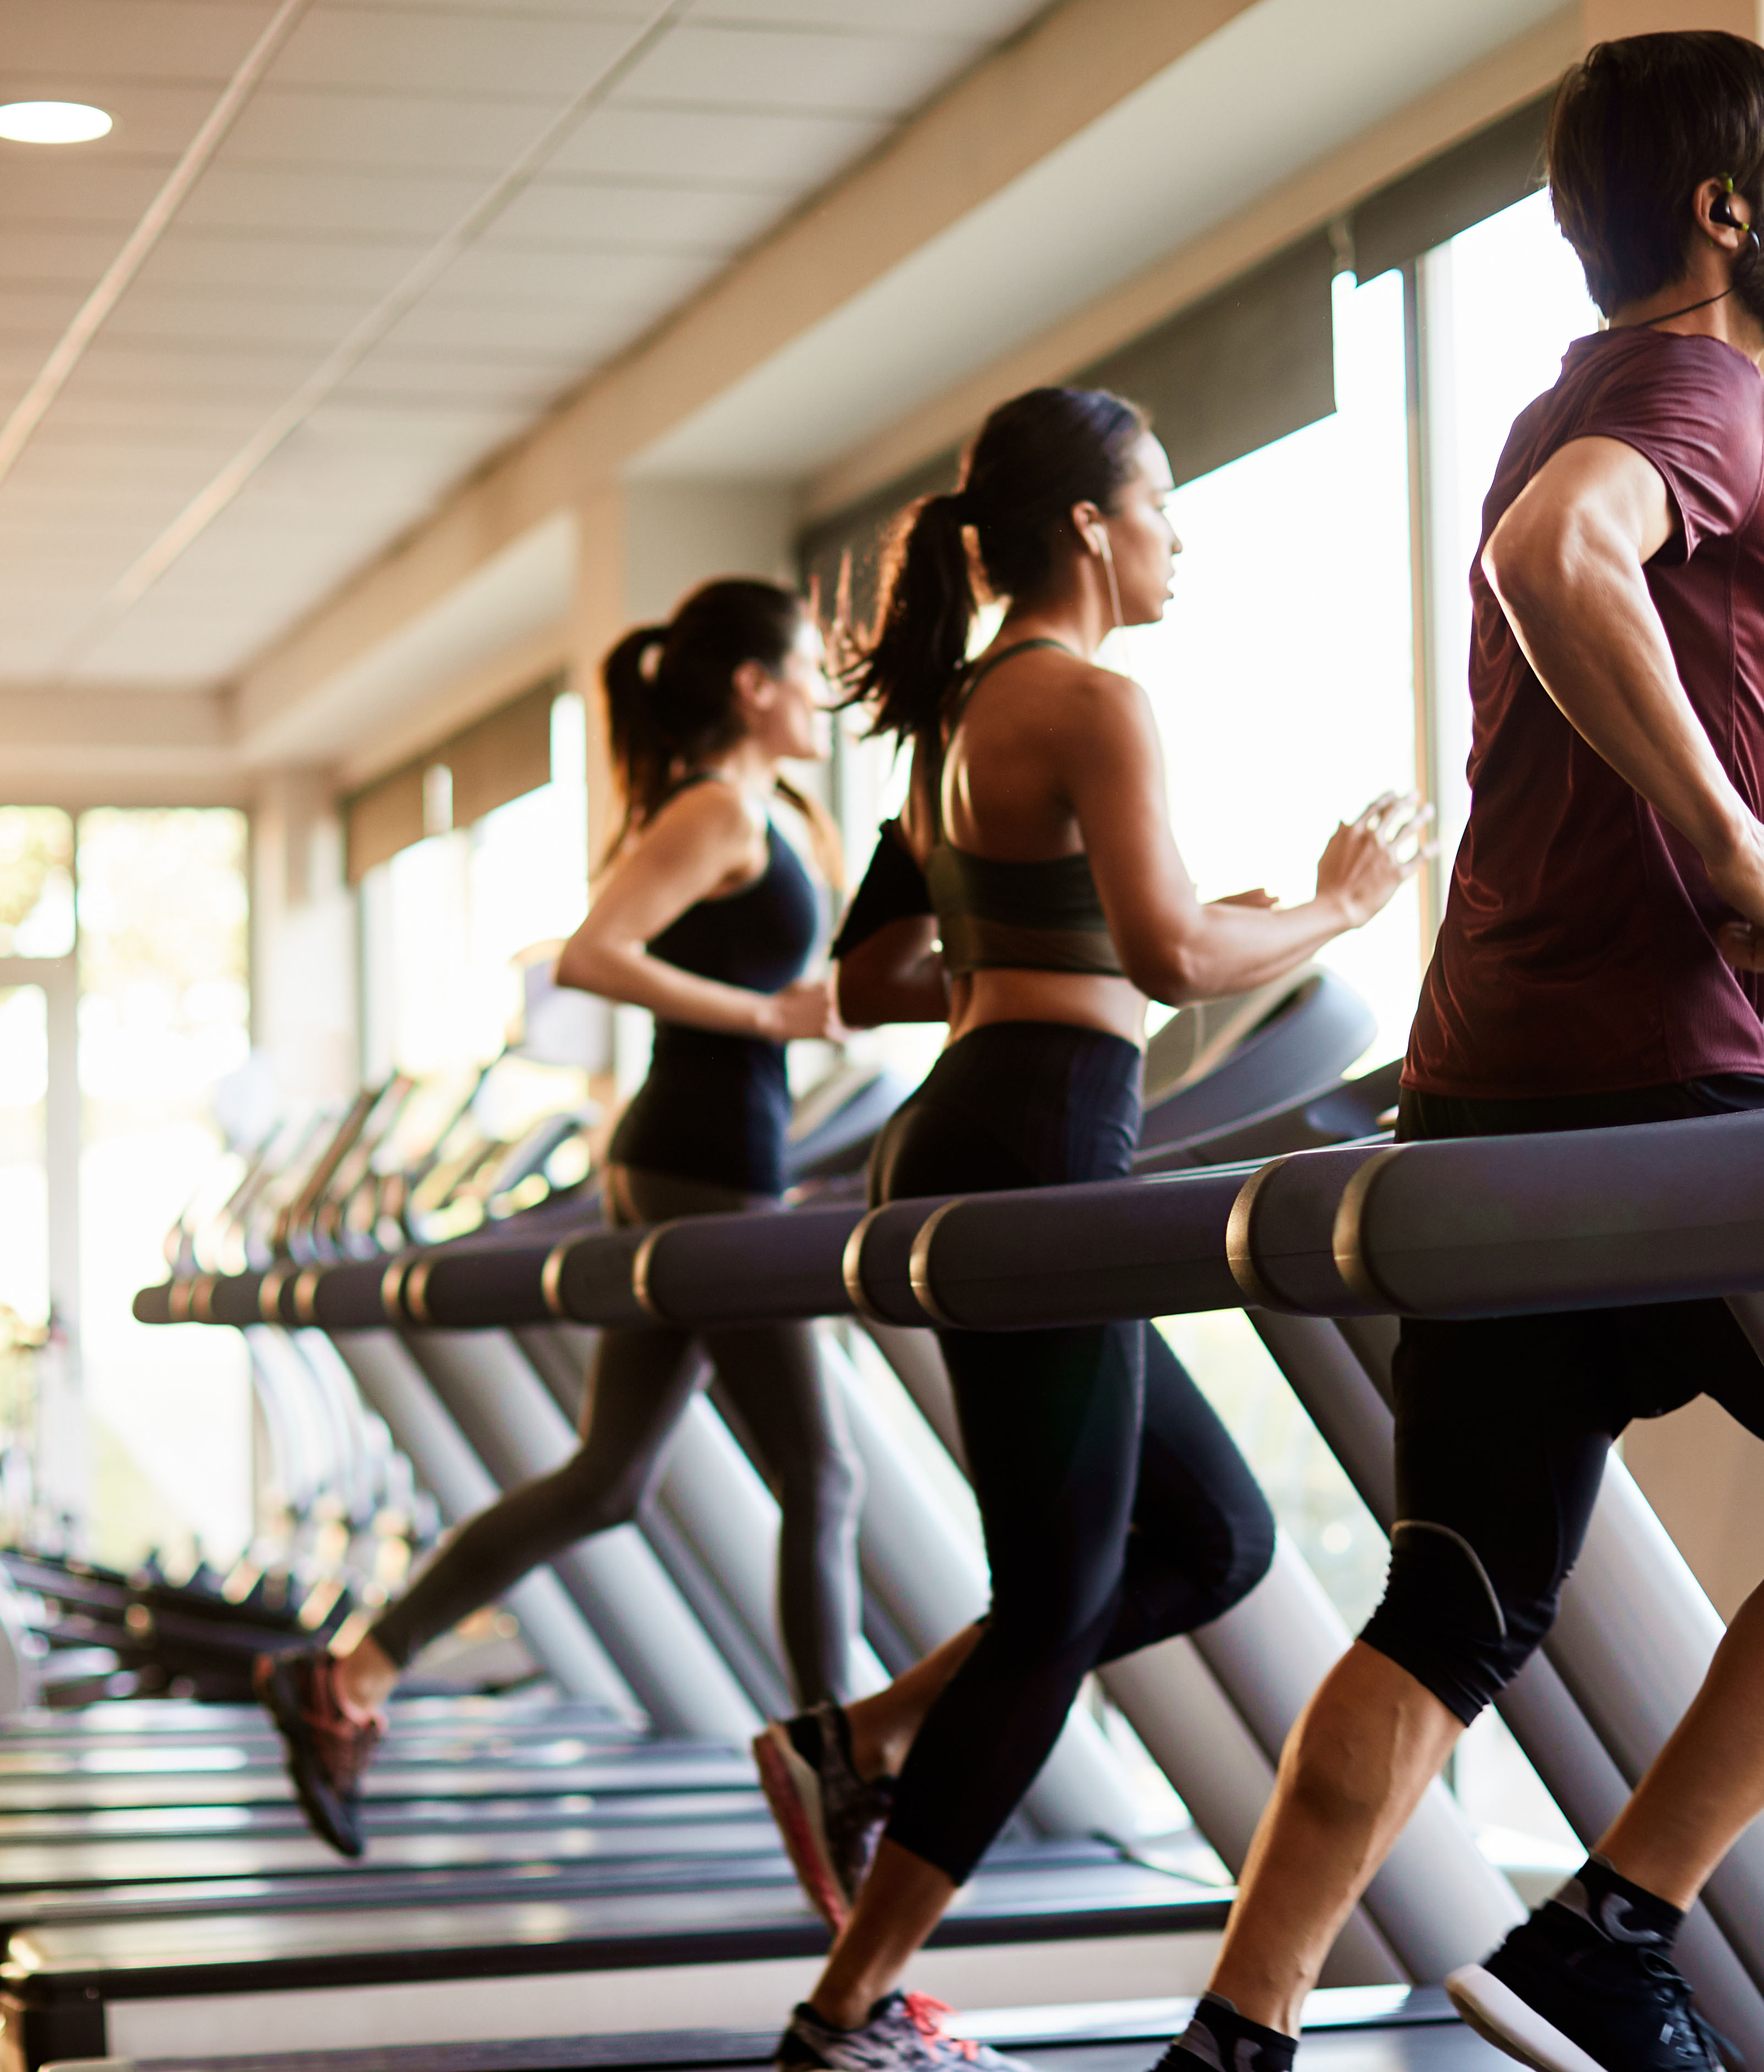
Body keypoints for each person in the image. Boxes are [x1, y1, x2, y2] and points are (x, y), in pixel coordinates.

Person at [1145, 33, 1764, 2072]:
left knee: (1450, 1601)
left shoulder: (1566, 400)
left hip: (1490, 1090)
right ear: (1727, 211)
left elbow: (1576, 713)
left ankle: (1233, 2041)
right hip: (1645, 1102)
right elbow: (1554, 570)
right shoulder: (1692, 390)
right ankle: (1615, 1924)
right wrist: (1740, 847)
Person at [767, 385, 1424, 2072]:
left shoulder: (954, 717)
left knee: (1207, 1540)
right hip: (1047, 1131)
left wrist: (1013, 951)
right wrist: (1340, 902)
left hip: (979, 1121)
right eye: (1159, 501)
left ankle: (865, 1736)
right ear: (1086, 526)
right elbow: (1168, 954)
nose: (1176, 534)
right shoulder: (1092, 702)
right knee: (1056, 1599)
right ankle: (845, 2007)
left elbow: (869, 979)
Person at [257, 576, 893, 1858]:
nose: (824, 689)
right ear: (753, 688)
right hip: (699, 1167)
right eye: (805, 667)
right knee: (822, 1473)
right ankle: (830, 1770)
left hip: (718, 1164)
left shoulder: (781, 813)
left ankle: (349, 1675)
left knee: (611, 1480)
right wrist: (768, 1016)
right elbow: (597, 954)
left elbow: (758, 976)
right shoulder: (715, 810)